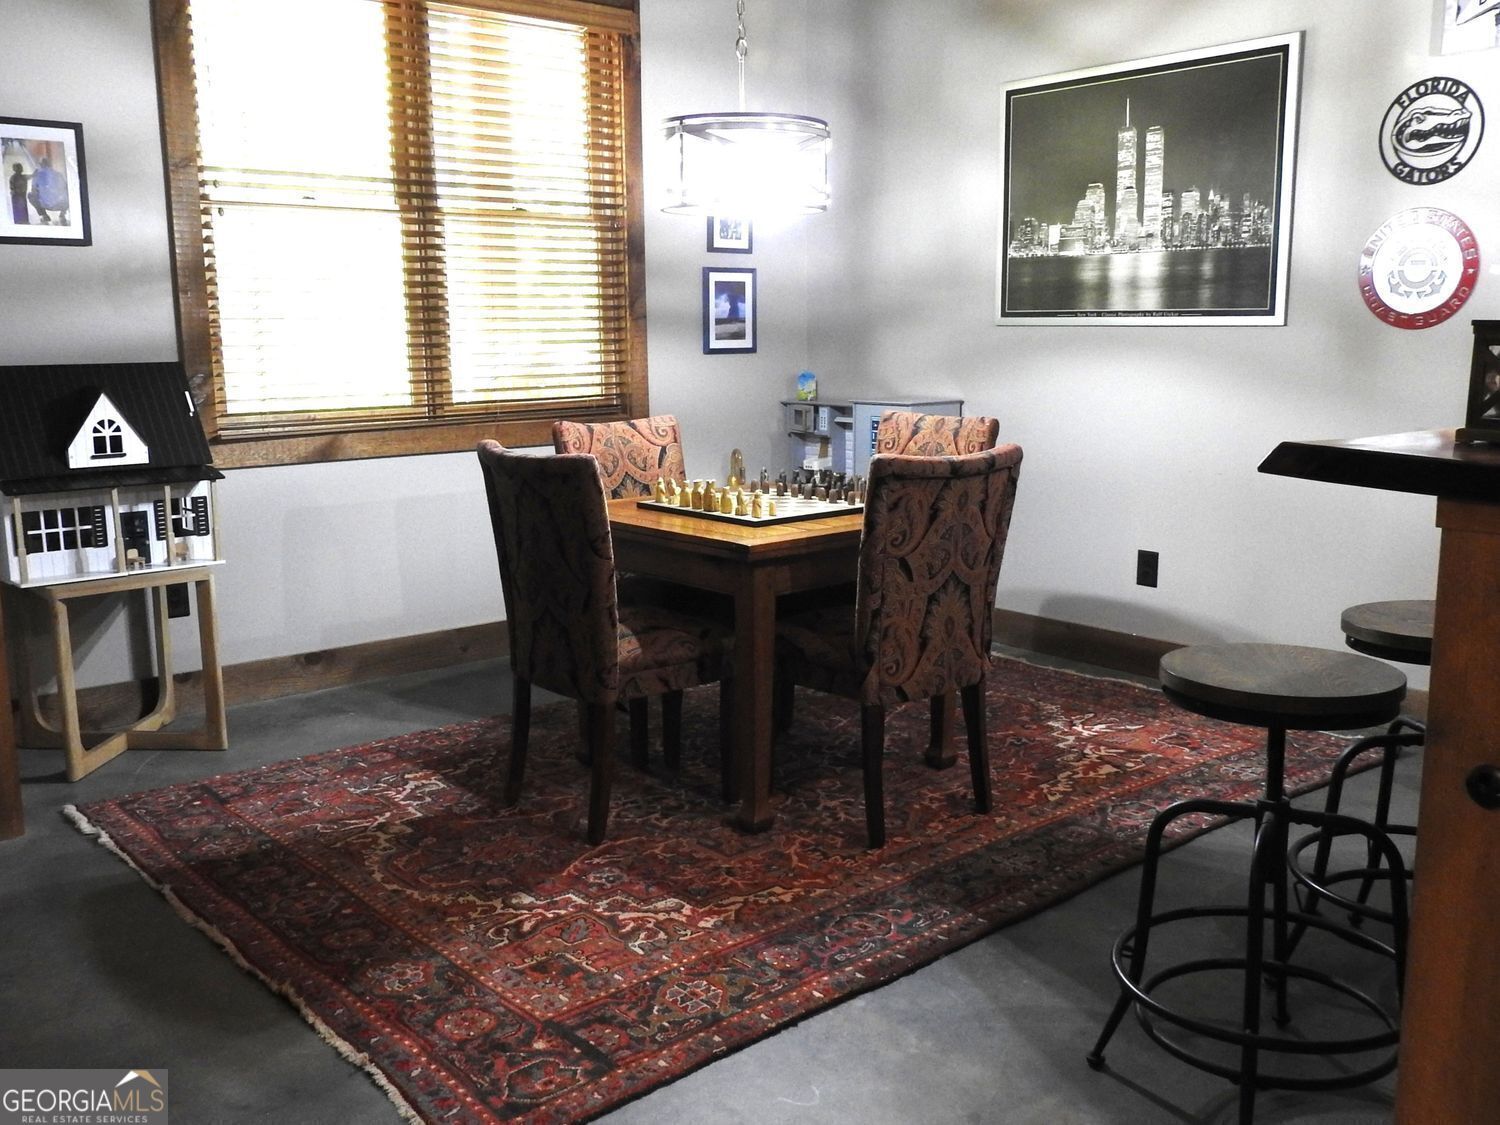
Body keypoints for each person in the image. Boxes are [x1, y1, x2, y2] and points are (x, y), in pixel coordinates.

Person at [29, 156, 68, 226]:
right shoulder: (58, 174)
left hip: (46, 205)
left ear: (40, 165)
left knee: (30, 195)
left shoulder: (37, 175)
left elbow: (33, 191)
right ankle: (62, 214)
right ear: (50, 164)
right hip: (61, 204)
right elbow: (65, 187)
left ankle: (44, 215)